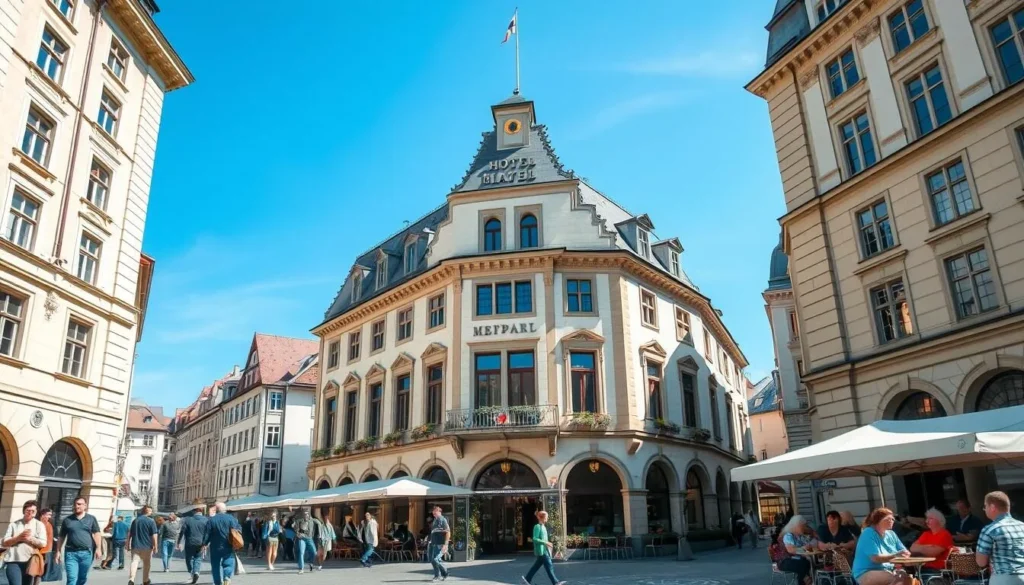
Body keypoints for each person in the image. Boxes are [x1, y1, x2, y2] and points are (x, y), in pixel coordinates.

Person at [852, 507, 912, 585]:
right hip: (866, 572)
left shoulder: (891, 534)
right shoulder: (868, 533)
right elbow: (875, 558)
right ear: (878, 520)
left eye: (893, 519)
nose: (892, 521)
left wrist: (905, 555)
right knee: (894, 578)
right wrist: (896, 555)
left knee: (908, 580)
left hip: (889, 570)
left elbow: (904, 551)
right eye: (888, 519)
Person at [975, 490, 1024, 585]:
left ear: (992, 507)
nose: (984, 509)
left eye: (985, 506)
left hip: (1004, 578)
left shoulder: (990, 529)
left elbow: (981, 562)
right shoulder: (1022, 526)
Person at [55, 497, 101, 585]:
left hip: (86, 553)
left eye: (79, 504)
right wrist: (58, 551)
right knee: (71, 578)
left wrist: (98, 548)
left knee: (82, 578)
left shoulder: (91, 519)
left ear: (85, 506)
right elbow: (61, 536)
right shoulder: (67, 520)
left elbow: (97, 533)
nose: (77, 506)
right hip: (71, 553)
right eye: (75, 504)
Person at [2, 500, 47, 585]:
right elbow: (4, 542)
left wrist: (30, 539)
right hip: (13, 560)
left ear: (36, 512)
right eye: (28, 510)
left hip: (30, 562)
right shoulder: (14, 524)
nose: (30, 513)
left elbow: (43, 543)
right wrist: (18, 538)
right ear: (24, 511)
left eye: (33, 511)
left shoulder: (39, 525)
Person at [520, 510, 565, 585]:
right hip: (541, 550)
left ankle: (527, 580)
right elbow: (534, 539)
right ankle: (556, 582)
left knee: (536, 567)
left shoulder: (543, 527)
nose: (547, 518)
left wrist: (548, 543)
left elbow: (543, 539)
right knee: (549, 565)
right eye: (546, 517)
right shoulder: (537, 527)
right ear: (542, 518)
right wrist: (546, 542)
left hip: (544, 550)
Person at [909, 508, 954, 580]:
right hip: (922, 568)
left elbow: (932, 553)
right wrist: (928, 547)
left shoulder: (944, 534)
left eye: (930, 519)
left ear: (939, 521)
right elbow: (912, 548)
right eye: (927, 518)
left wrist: (920, 548)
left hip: (937, 571)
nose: (927, 521)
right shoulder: (926, 534)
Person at [204, 503, 241, 585]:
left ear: (216, 510)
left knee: (215, 565)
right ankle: (227, 577)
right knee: (228, 562)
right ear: (225, 510)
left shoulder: (211, 520)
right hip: (228, 545)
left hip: (215, 547)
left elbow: (207, 534)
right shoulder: (232, 519)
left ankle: (217, 582)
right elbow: (238, 529)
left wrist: (204, 544)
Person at [779, 515, 817, 585]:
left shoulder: (800, 536)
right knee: (803, 564)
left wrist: (808, 547)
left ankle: (807, 581)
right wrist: (803, 549)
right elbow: (791, 550)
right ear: (797, 525)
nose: (804, 528)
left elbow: (810, 544)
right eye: (803, 526)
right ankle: (806, 580)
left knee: (808, 563)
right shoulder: (788, 535)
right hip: (785, 561)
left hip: (797, 559)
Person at [127, 505, 159, 585]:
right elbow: (154, 535)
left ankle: (131, 579)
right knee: (147, 564)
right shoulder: (151, 521)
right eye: (151, 511)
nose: (151, 512)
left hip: (136, 545)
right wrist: (155, 546)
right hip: (147, 546)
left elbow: (130, 534)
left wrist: (127, 544)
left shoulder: (135, 520)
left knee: (134, 562)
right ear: (148, 511)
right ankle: (145, 580)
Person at [178, 504, 208, 584]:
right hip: (201, 543)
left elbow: (182, 531)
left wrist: (179, 542)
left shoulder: (188, 520)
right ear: (202, 511)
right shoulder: (206, 520)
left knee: (189, 558)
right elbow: (208, 532)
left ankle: (191, 572)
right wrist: (206, 543)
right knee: (198, 558)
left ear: (194, 511)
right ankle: (196, 572)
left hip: (189, 542)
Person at [428, 506, 450, 582]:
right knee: (432, 560)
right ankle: (439, 575)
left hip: (440, 544)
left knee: (436, 559)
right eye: (433, 512)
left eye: (435, 512)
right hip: (433, 543)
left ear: (439, 511)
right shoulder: (435, 520)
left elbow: (448, 532)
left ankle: (443, 574)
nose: (433, 513)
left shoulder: (443, 520)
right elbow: (434, 532)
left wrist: (445, 544)